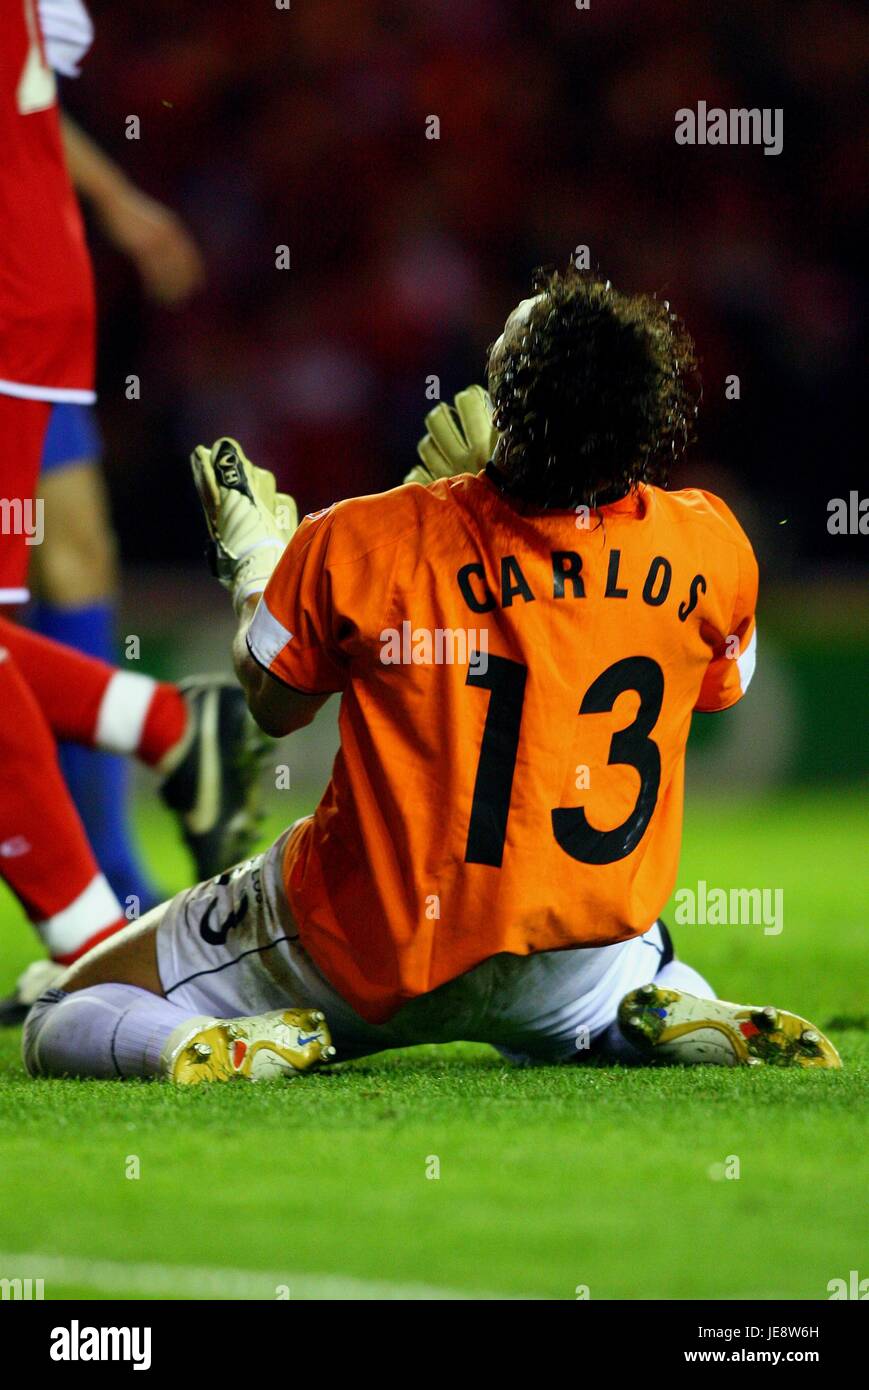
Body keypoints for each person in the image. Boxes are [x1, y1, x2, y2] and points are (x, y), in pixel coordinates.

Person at [22, 270, 841, 1082]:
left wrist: (253, 567)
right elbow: (693, 679)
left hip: (364, 958)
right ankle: (664, 1004)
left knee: (65, 1012)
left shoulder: (361, 538)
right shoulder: (711, 544)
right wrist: (524, 497)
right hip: (578, 957)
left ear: (509, 407)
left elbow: (275, 705)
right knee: (633, 961)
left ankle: (211, 1045)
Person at [0, 0, 261, 1023]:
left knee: (71, 559)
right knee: (61, 563)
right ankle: (164, 727)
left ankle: (100, 951)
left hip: (17, 283)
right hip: (31, 277)